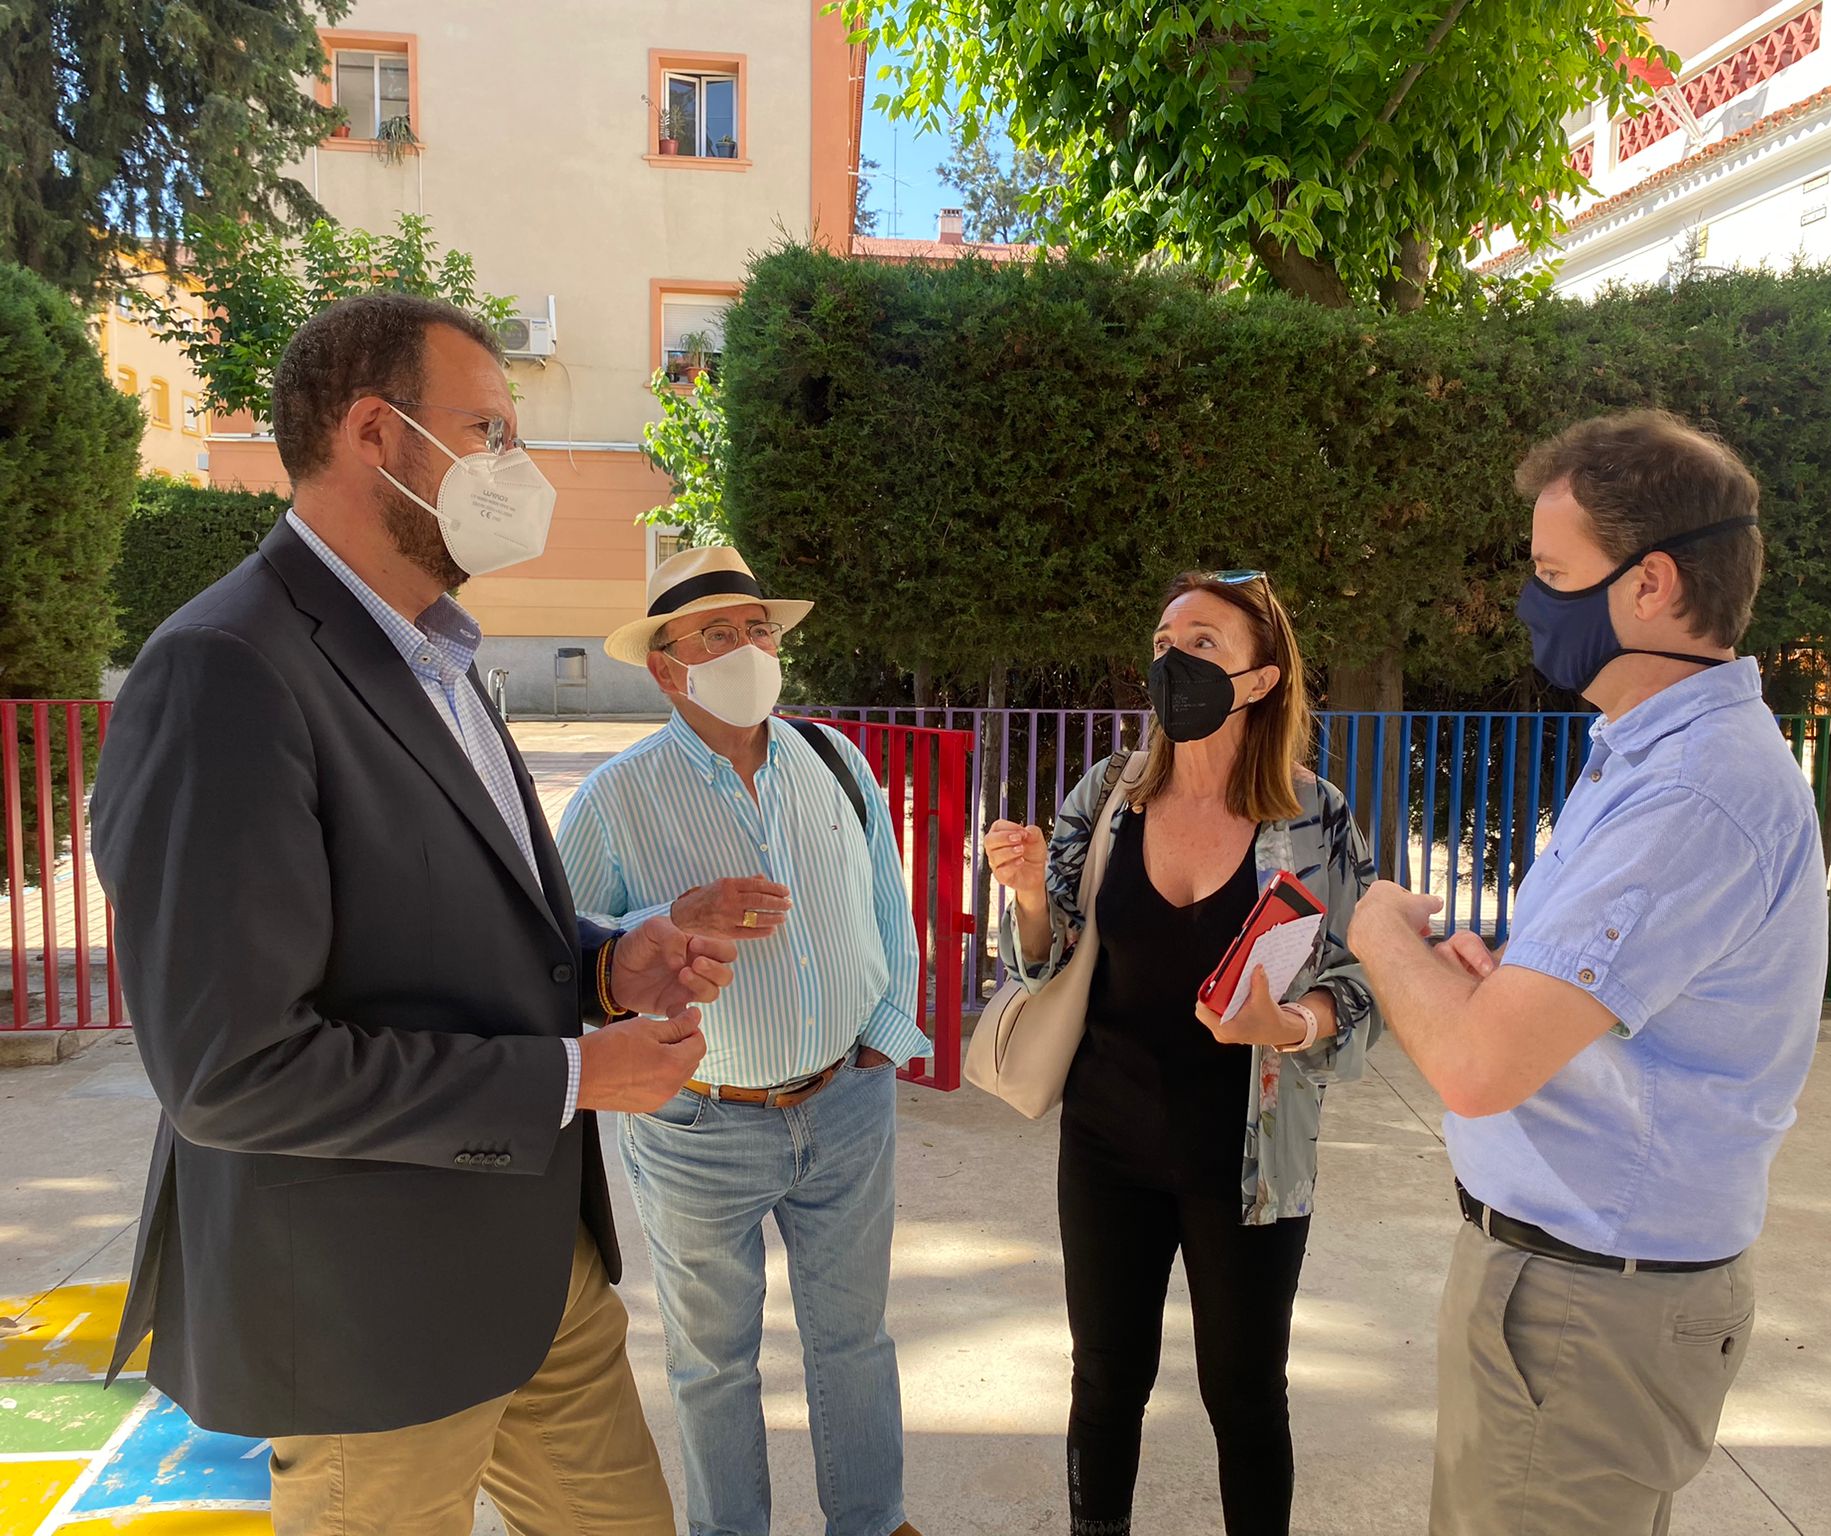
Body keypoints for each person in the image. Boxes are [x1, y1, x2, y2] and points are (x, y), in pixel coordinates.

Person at [88, 293, 738, 1536]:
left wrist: (609, 962)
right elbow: (231, 1070)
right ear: (377, 436)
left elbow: (445, 926)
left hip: (539, 1274)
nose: (518, 470)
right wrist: (569, 1078)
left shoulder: (436, 652)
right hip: (364, 1318)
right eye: (489, 432)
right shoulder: (226, 668)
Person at [1346, 411, 1827, 1535]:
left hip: (1583, 1310)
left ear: (1650, 584)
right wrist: (1503, 977)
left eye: (1552, 574)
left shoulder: (1687, 793)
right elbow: (1593, 1010)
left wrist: (1377, 934)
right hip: (1579, 1292)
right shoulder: (1648, 756)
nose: (1530, 603)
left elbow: (1474, 1067)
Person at [987, 570, 1377, 1536]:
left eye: (1204, 643)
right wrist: (1034, 895)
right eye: (1165, 639)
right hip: (1108, 1143)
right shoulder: (1110, 796)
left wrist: (1288, 1027)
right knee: (1106, 1379)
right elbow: (1046, 961)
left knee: (1244, 1395)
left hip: (1247, 1159)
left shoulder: (1313, 815)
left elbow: (1365, 984)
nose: (1174, 658)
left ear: (1258, 680)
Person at [557, 544, 928, 1536]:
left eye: (757, 626)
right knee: (712, 1361)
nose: (748, 646)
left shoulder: (834, 761)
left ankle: (872, 1519)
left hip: (845, 1104)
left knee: (852, 1339)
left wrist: (884, 1032)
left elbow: (881, 899)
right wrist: (673, 912)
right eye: (716, 633)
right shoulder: (612, 801)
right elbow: (551, 961)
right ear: (667, 667)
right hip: (696, 1127)